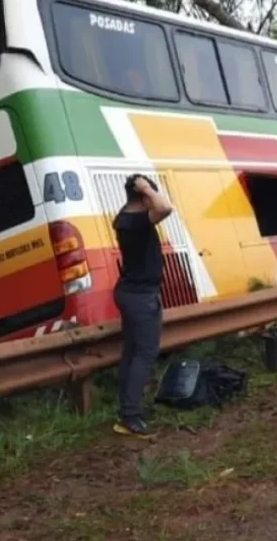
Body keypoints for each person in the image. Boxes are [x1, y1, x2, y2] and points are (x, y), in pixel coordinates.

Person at [112, 174, 174, 439]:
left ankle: (128, 409)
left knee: (132, 352)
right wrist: (147, 187)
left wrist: (142, 191)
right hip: (140, 296)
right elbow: (166, 208)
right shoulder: (135, 220)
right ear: (143, 197)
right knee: (145, 353)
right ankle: (130, 416)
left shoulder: (124, 218)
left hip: (132, 293)